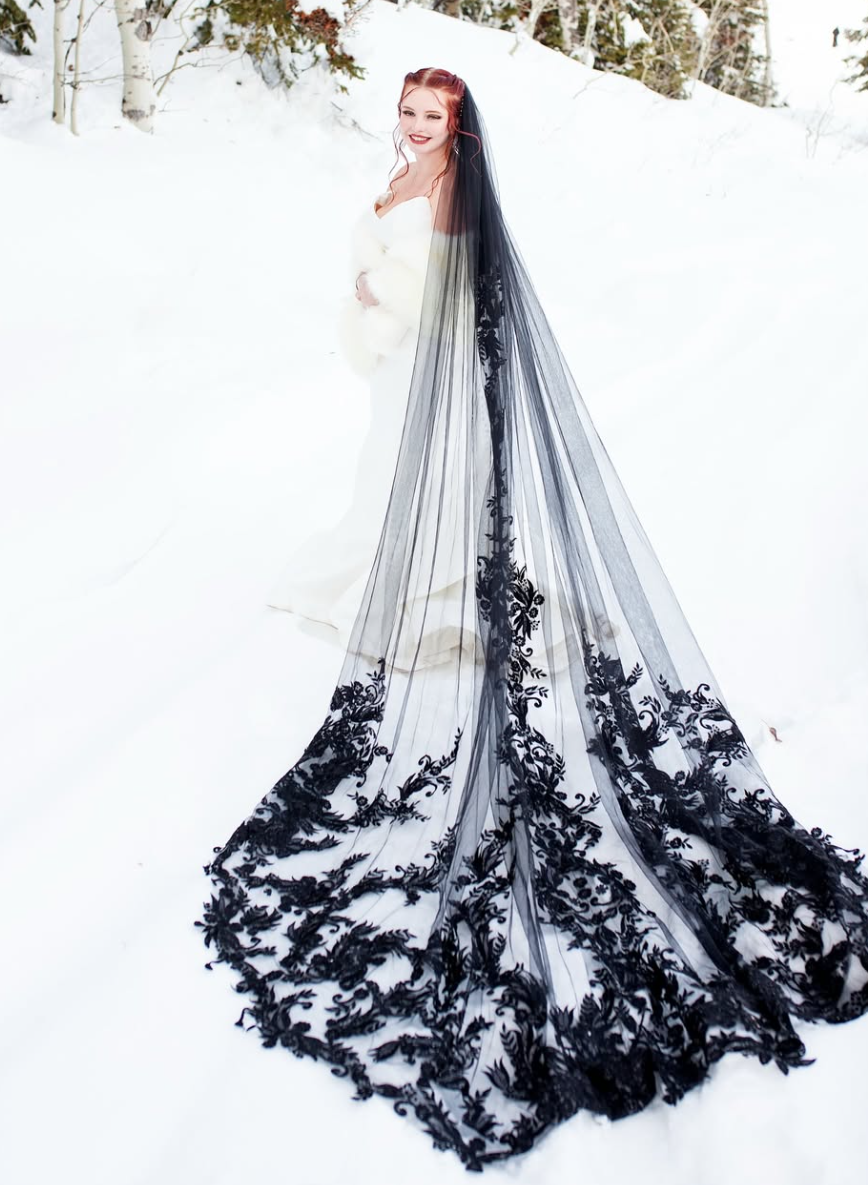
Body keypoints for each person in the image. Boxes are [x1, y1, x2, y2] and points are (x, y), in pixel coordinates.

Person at [198, 69, 868, 1170]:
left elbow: (445, 291)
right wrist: (364, 299)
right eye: (408, 111)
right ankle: (395, 566)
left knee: (420, 490)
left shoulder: (451, 188)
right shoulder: (400, 173)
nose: (417, 126)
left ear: (459, 125)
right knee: (379, 485)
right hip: (391, 361)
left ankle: (432, 580)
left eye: (433, 115)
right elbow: (383, 272)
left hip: (424, 355)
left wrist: (379, 291)